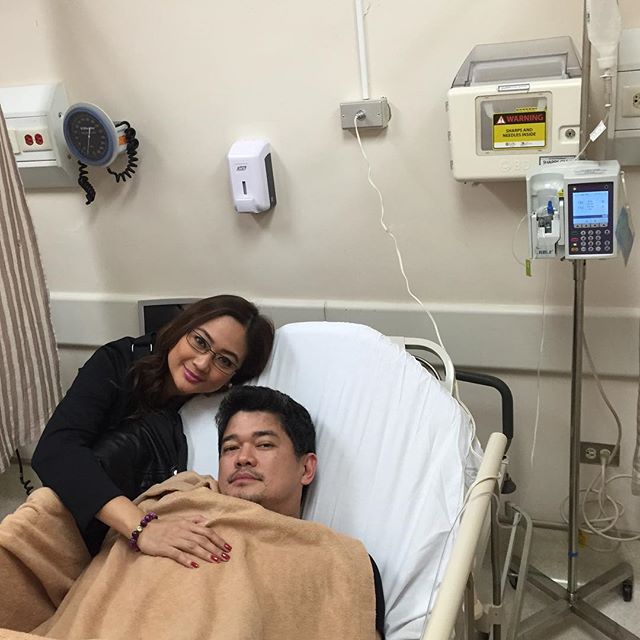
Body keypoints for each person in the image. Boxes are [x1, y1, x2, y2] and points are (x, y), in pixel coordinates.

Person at [31, 294, 275, 559]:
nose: (202, 364)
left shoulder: (216, 409)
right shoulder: (116, 362)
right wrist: (141, 527)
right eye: (200, 341)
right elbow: (55, 450)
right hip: (79, 521)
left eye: (225, 361)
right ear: (181, 328)